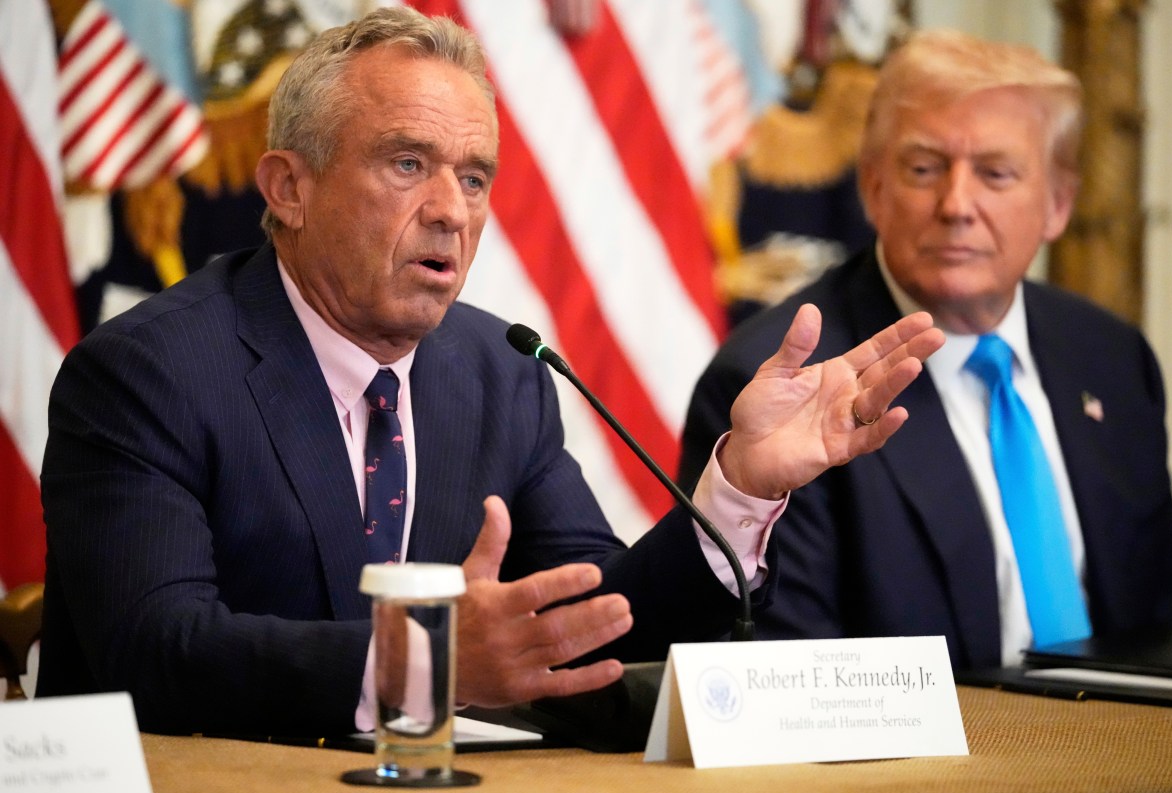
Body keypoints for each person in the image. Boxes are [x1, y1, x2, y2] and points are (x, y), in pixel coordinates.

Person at [38, 7, 942, 735]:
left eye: (474, 178)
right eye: (407, 164)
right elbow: (155, 652)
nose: (450, 212)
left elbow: (598, 619)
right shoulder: (145, 373)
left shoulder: (495, 368)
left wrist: (737, 489)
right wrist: (427, 664)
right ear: (288, 187)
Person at [680, 29, 1172, 672]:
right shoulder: (785, 388)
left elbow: (1156, 621)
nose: (956, 206)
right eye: (924, 169)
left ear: (1059, 203)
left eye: (995, 174)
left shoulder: (1112, 359)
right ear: (873, 190)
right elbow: (780, 670)